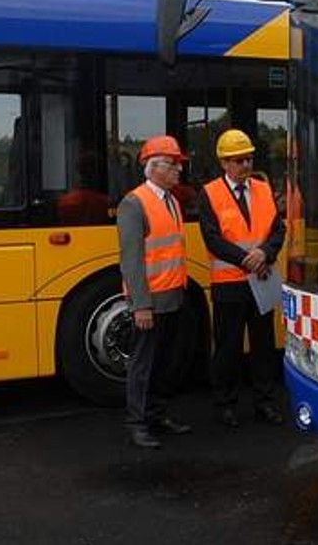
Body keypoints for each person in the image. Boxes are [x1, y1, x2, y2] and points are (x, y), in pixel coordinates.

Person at [198, 129, 286, 428]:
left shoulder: (262, 188)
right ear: (224, 163)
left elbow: (278, 230)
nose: (245, 165)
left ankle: (265, 401)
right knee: (227, 347)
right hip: (230, 283)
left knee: (264, 345)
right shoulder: (209, 193)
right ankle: (225, 403)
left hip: (261, 279)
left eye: (248, 158)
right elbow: (212, 239)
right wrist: (247, 259)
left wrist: (265, 252)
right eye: (238, 160)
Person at [118, 134, 194, 449]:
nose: (179, 170)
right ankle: (138, 423)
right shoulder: (134, 203)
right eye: (174, 164)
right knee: (143, 365)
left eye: (178, 164)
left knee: (164, 364)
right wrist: (141, 306)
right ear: (155, 167)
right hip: (151, 303)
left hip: (174, 297)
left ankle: (157, 415)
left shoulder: (172, 200)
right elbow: (132, 260)